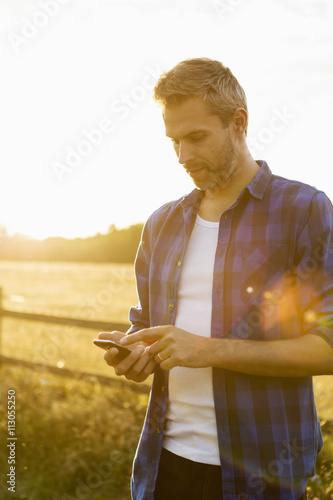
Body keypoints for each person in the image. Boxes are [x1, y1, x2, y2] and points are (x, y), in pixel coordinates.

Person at [98, 58, 333, 500]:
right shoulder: (161, 224)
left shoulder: (303, 210)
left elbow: (329, 346)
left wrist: (207, 350)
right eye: (174, 141)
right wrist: (134, 352)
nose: (183, 155)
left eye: (197, 137)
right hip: (164, 469)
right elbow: (146, 322)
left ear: (238, 122)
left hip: (263, 474)